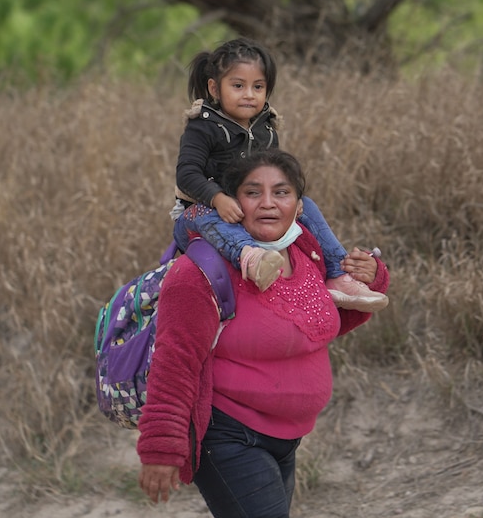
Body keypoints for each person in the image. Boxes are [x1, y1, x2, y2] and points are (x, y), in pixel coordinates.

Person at [137, 150, 390, 517]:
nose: (268, 203)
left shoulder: (305, 253)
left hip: (288, 438)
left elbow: (319, 327)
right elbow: (175, 362)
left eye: (282, 192)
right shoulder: (200, 271)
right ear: (228, 204)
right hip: (228, 438)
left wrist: (370, 276)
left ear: (300, 205)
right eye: (252, 192)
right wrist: (160, 448)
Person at [172, 37, 388, 313]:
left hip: (249, 204)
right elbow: (186, 174)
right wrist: (216, 198)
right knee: (207, 217)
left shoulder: (266, 127)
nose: (249, 94)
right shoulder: (202, 127)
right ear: (215, 88)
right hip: (200, 211)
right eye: (238, 86)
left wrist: (293, 195)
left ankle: (337, 271)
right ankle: (251, 257)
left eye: (258, 87)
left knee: (306, 206)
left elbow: (277, 170)